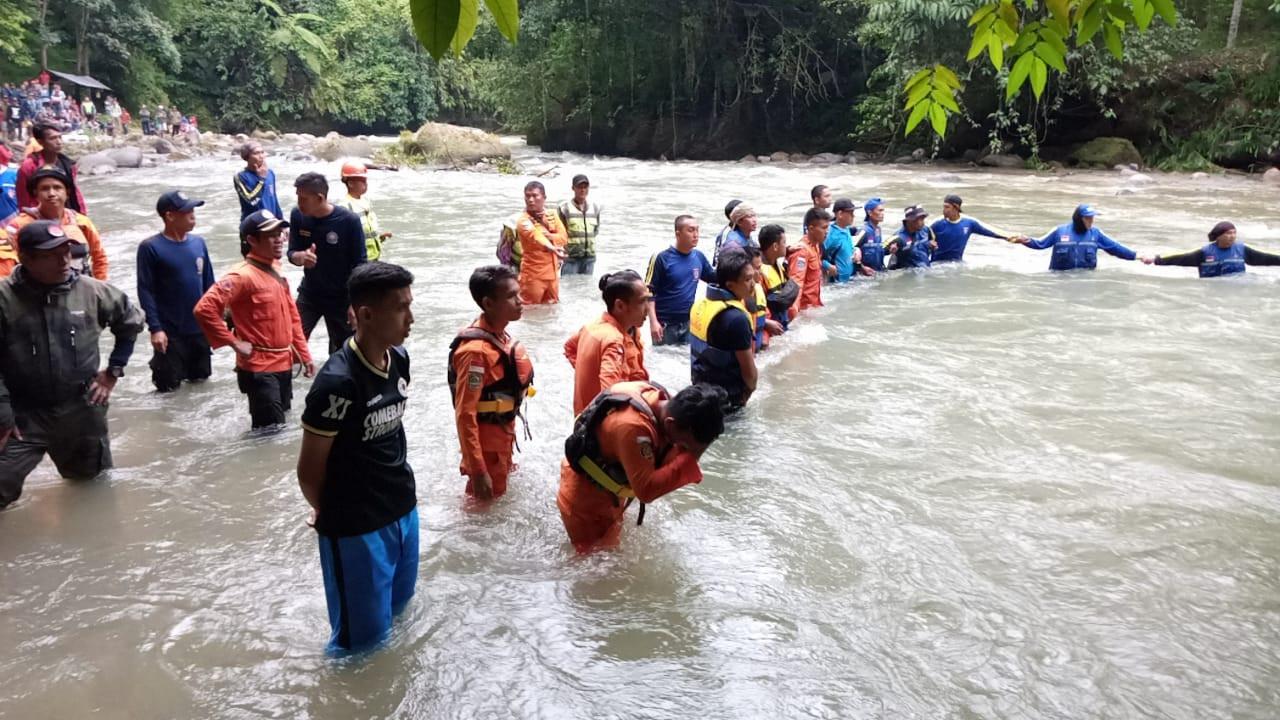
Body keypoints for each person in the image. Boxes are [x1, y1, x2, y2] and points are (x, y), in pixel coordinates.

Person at [297, 262, 418, 655]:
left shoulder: (398, 358)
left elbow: (391, 429)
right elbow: (309, 469)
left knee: (398, 616)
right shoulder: (337, 383)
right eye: (401, 308)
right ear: (365, 314)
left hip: (402, 510)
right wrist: (327, 510)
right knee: (358, 646)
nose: (411, 318)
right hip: (357, 528)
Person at [0, 220, 144, 509]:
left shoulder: (93, 291)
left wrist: (113, 372)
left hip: (81, 409)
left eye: (66, 252)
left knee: (92, 490)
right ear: (25, 258)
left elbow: (130, 323)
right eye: (51, 255)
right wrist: (2, 415)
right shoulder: (4, 298)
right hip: (22, 415)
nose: (63, 261)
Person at [557, 382, 727, 552]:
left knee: (612, 557)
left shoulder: (658, 398)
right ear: (670, 423)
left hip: (609, 493)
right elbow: (646, 491)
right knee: (593, 567)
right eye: (684, 446)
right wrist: (693, 455)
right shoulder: (632, 428)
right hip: (585, 504)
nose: (683, 451)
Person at [194, 210, 315, 430]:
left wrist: (304, 356)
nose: (279, 239)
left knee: (281, 430)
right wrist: (234, 343)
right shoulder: (241, 276)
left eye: (280, 233)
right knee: (269, 434)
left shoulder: (276, 270)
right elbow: (204, 309)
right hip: (259, 369)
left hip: (283, 363)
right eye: (271, 235)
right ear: (251, 240)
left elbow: (292, 318)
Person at [448, 265, 535, 501]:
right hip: (488, 450)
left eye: (518, 293)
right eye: (511, 296)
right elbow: (464, 413)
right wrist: (478, 470)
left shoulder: (499, 335)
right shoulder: (475, 352)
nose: (520, 301)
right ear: (488, 304)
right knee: (482, 507)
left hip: (503, 438)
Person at [136, 191, 216, 393]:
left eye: (193, 210)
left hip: (199, 331)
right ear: (169, 216)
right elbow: (146, 291)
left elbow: (210, 285)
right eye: (186, 210)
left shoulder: (199, 243)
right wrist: (156, 329)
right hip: (170, 334)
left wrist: (216, 319)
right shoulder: (150, 248)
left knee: (201, 388)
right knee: (169, 392)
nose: (193, 215)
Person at [287, 172, 366, 354]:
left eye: (303, 198)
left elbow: (360, 264)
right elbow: (292, 252)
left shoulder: (348, 221)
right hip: (310, 293)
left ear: (320, 198)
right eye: (298, 197)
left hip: (342, 297)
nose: (299, 203)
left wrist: (355, 303)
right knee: (290, 343)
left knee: (343, 352)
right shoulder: (298, 216)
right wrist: (300, 257)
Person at [564, 271, 650, 414]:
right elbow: (611, 394)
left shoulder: (593, 326)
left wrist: (590, 374)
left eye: (649, 300)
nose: (648, 308)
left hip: (586, 415)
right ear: (620, 306)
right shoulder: (614, 342)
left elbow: (570, 347)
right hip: (603, 424)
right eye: (642, 301)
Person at [6, 165, 108, 280]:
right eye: (45, 188)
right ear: (36, 193)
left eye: (57, 188)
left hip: (81, 289)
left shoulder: (81, 222)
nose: (51, 193)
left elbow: (99, 257)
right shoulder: (18, 226)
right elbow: (6, 264)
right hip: (35, 291)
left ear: (67, 192)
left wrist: (100, 286)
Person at [689, 246, 758, 409]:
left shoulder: (701, 304)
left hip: (700, 391)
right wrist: (750, 389)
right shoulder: (737, 319)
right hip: (728, 399)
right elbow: (749, 374)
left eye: (753, 278)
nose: (753, 284)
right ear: (730, 285)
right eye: (747, 280)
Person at [645, 214, 714, 346]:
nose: (696, 235)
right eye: (691, 230)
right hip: (665, 325)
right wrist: (653, 322)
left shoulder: (698, 257)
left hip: (689, 323)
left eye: (697, 230)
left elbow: (714, 278)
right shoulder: (662, 258)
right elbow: (649, 292)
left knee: (684, 361)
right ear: (678, 234)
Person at [1012, 203, 1137, 271]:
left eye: (1092, 218)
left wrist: (1137, 256)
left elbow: (1116, 248)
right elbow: (1039, 243)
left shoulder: (1096, 234)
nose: (1091, 221)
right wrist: (1024, 240)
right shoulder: (1059, 231)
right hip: (1059, 282)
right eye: (1088, 218)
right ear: (1079, 219)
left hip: (1085, 283)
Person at [1141, 221, 1280, 276]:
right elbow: (1180, 257)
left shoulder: (1242, 249)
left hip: (1238, 288)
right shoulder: (1204, 252)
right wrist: (1155, 259)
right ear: (1218, 236)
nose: (1232, 236)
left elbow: (1266, 257)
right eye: (1228, 233)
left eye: (1234, 233)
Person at [514, 181, 568, 304]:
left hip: (553, 274)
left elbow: (563, 238)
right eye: (527, 196)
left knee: (552, 310)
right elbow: (536, 236)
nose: (530, 200)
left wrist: (549, 235)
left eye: (534, 195)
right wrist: (552, 247)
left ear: (544, 198)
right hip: (533, 275)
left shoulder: (552, 215)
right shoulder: (523, 220)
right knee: (529, 310)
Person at [16, 124, 87, 213]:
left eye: (60, 137)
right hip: (41, 217)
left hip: (69, 215)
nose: (59, 142)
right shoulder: (29, 166)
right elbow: (23, 198)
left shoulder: (68, 164)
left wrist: (82, 214)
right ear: (40, 142)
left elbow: (74, 193)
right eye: (53, 138)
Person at [930, 194, 1019, 262]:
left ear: (956, 208)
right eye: (944, 207)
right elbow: (919, 235)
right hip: (936, 264)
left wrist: (1010, 237)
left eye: (947, 207)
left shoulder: (969, 223)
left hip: (957, 264)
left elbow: (990, 231)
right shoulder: (936, 223)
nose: (944, 210)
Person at [335, 161, 392, 261]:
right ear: (351, 183)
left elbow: (366, 234)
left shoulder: (365, 202)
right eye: (362, 181)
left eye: (366, 180)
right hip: (359, 261)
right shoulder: (345, 206)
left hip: (372, 258)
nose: (366, 184)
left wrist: (380, 237)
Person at [557, 174, 602, 276]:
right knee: (569, 287)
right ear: (573, 188)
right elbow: (558, 233)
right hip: (571, 259)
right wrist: (559, 256)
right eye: (579, 187)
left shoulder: (595, 208)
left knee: (585, 288)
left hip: (589, 259)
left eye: (585, 187)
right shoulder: (564, 208)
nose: (582, 190)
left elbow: (596, 230)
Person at [758, 224, 799, 332]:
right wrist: (765, 323)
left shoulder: (777, 264)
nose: (786, 246)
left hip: (782, 323)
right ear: (775, 247)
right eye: (784, 243)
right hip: (770, 328)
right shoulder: (758, 273)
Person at [791, 207, 830, 310]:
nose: (827, 232)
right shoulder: (801, 251)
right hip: (804, 310)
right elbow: (796, 282)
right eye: (824, 228)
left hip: (814, 305)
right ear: (811, 229)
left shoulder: (816, 246)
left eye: (828, 228)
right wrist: (794, 309)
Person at [233, 141, 282, 220]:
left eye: (262, 152)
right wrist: (261, 180)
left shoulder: (270, 173)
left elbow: (274, 199)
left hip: (272, 221)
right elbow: (251, 200)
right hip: (253, 224)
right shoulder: (240, 177)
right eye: (256, 153)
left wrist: (281, 221)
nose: (261, 156)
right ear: (247, 157)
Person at [822, 198, 862, 282]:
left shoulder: (846, 229)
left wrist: (857, 251)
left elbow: (848, 248)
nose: (853, 216)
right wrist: (829, 266)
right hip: (836, 284)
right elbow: (817, 256)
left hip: (849, 280)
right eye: (851, 213)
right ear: (840, 214)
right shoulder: (830, 235)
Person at [888, 205, 937, 270]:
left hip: (925, 268)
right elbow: (882, 249)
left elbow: (933, 245)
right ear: (910, 220)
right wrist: (890, 250)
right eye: (920, 219)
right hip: (908, 273)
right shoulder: (898, 237)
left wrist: (932, 246)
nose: (923, 222)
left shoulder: (926, 230)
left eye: (923, 219)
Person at [857, 197, 887, 272]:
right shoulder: (864, 231)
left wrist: (890, 250)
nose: (882, 213)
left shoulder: (878, 230)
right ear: (870, 213)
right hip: (865, 276)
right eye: (880, 210)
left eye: (883, 210)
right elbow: (851, 252)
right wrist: (862, 268)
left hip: (878, 272)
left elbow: (879, 251)